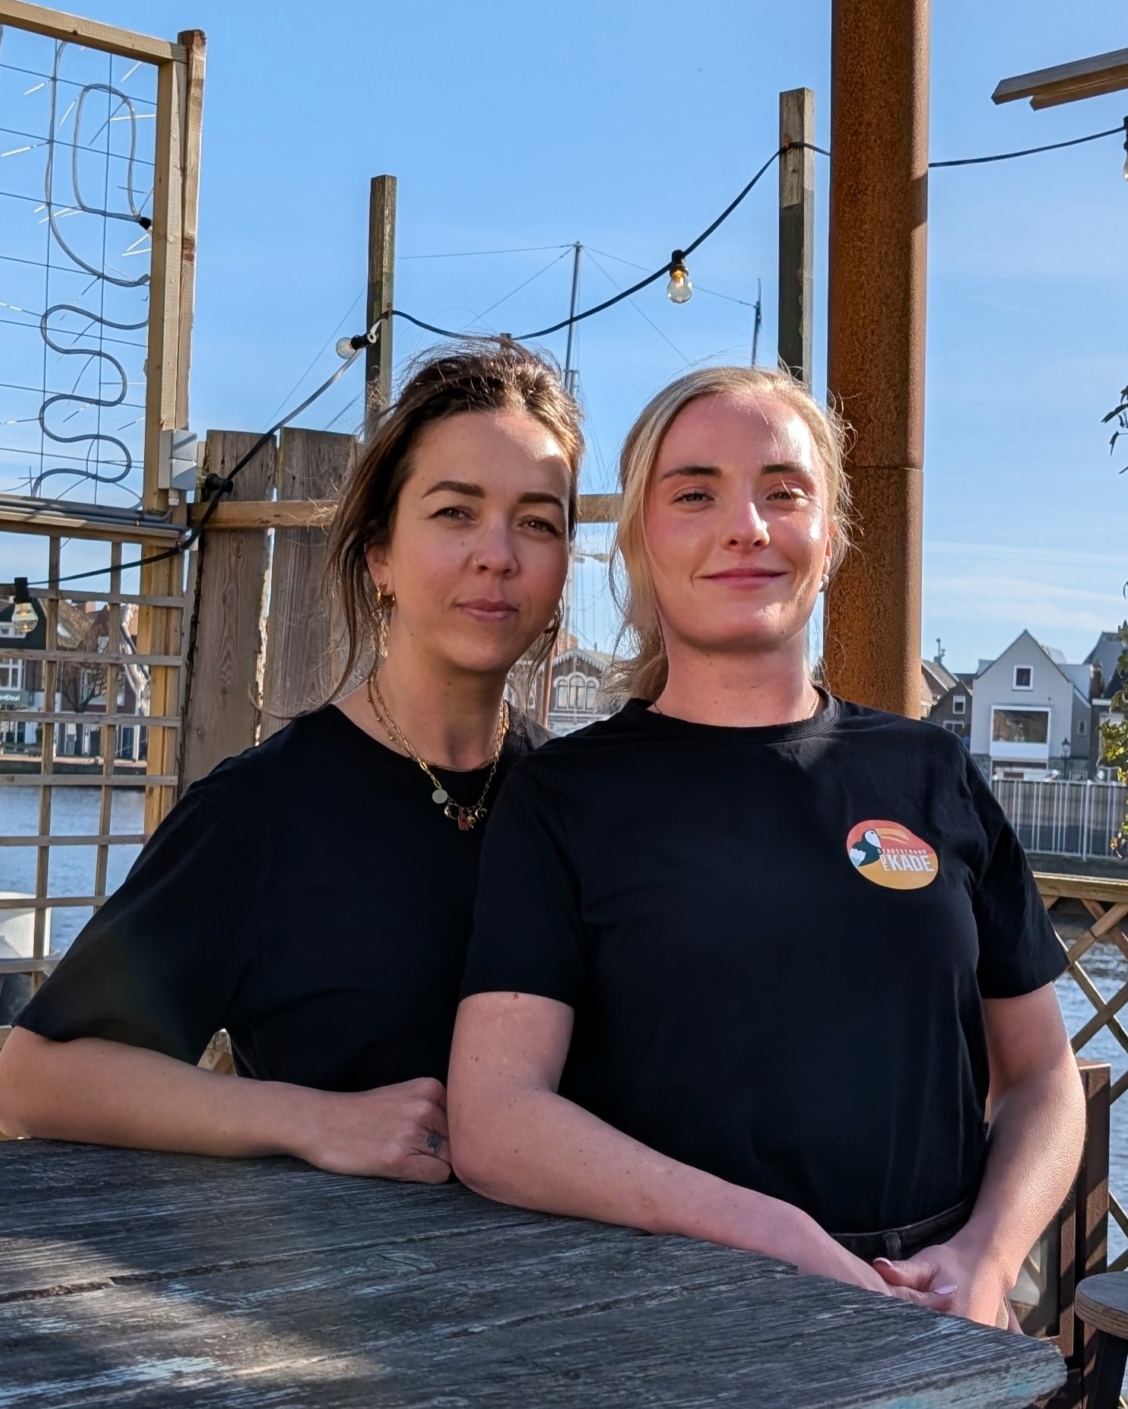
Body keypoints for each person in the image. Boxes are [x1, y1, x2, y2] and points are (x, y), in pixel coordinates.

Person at [447, 366, 1085, 1327]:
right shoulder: (565, 796)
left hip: (933, 1317)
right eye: (695, 493)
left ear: (828, 539)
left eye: (784, 492)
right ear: (642, 544)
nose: (745, 524)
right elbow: (495, 1119)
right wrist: (773, 1236)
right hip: (667, 1318)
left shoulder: (930, 772)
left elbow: (1043, 1076)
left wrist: (988, 1257)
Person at [0, 341, 582, 1184]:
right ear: (379, 554)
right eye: (454, 512)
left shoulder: (580, 801)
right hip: (344, 1291)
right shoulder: (263, 811)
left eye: (537, 521)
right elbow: (36, 1079)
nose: (498, 553)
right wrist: (314, 1120)